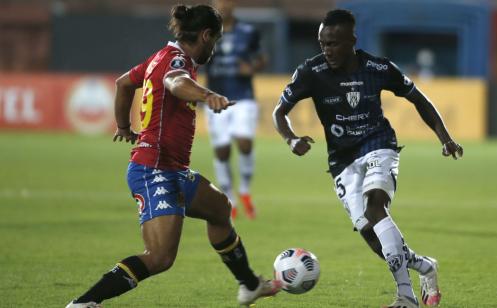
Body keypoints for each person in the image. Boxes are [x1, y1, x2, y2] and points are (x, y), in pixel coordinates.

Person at [66, 5, 280, 308]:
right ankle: (84, 303)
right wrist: (207, 95)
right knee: (160, 257)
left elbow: (124, 83)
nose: (214, 47)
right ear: (205, 35)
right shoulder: (178, 61)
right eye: (215, 41)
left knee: (220, 209)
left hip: (172, 169)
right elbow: (175, 82)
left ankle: (250, 285)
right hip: (153, 169)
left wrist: (125, 126)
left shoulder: (158, 57)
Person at [273, 9, 463, 308]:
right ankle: (425, 266)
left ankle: (406, 297)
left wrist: (446, 138)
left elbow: (419, 99)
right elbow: (279, 111)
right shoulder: (311, 71)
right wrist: (291, 138)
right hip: (341, 159)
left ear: (352, 41)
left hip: (378, 144)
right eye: (322, 43)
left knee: (377, 206)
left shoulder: (378, 68)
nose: (327, 50)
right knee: (372, 235)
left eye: (334, 44)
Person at [204, 0, 268, 219]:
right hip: (215, 97)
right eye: (219, 2)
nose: (223, 6)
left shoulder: (248, 32)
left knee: (244, 142)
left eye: (227, 2)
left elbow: (262, 59)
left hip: (243, 97)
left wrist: (251, 68)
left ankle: (245, 191)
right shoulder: (206, 33)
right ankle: (229, 197)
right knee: (222, 150)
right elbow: (194, 60)